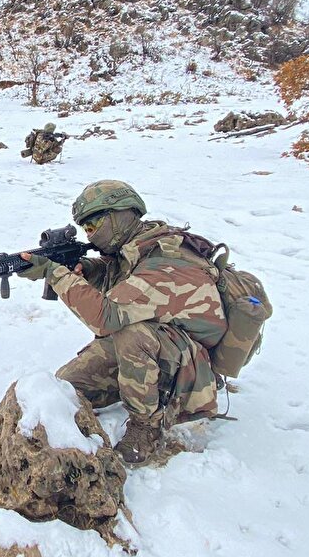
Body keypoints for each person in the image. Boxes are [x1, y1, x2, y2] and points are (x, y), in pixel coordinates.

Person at [16, 180, 226, 466]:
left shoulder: (165, 260)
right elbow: (117, 275)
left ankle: (147, 427)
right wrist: (86, 269)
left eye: (93, 225)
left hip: (191, 365)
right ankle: (136, 387)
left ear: (120, 215)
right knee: (66, 390)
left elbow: (106, 317)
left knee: (131, 333)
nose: (90, 234)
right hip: (158, 347)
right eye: (85, 228)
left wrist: (55, 274)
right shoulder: (134, 247)